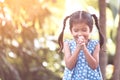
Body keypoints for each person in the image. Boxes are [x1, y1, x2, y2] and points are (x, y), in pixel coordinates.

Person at [58, 11, 104, 80]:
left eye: (84, 30)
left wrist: (84, 49)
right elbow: (69, 66)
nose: (80, 34)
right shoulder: (67, 44)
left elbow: (94, 66)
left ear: (90, 30)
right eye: (76, 30)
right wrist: (78, 48)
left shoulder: (95, 44)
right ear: (71, 31)